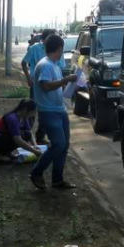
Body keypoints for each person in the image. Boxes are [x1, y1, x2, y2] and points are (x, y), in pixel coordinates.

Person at [29, 34, 78, 190]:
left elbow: (55, 87)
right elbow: (46, 85)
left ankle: (57, 180)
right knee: (58, 144)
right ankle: (36, 172)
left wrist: (71, 86)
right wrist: (65, 80)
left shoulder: (54, 65)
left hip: (59, 111)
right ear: (59, 49)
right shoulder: (45, 65)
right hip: (48, 112)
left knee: (64, 145)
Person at [21, 28, 64, 143]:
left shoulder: (58, 51)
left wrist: (62, 83)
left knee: (46, 112)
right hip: (36, 86)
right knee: (32, 110)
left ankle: (40, 136)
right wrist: (28, 78)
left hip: (52, 86)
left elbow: (60, 67)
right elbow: (24, 62)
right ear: (44, 40)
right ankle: (26, 134)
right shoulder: (34, 49)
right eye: (50, 39)